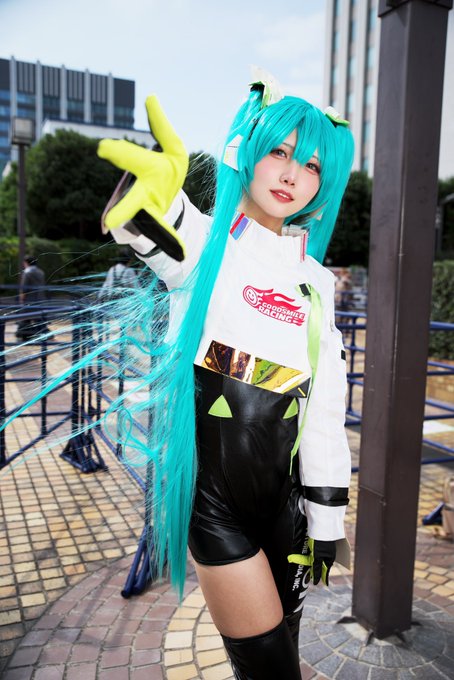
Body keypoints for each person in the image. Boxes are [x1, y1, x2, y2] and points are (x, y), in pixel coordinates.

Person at [97, 70, 354, 679]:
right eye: (279, 152)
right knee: (270, 670)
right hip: (214, 509)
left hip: (288, 509)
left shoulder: (316, 285)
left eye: (311, 165)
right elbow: (159, 224)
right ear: (249, 151)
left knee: (283, 652)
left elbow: (323, 415)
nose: (292, 175)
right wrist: (155, 191)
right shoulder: (208, 245)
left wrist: (326, 523)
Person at [16, 255, 47, 340]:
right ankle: (44, 334)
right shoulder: (41, 272)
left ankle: (23, 335)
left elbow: (24, 288)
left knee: (26, 317)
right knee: (39, 319)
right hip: (40, 298)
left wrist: (21, 299)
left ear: (27, 263)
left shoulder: (27, 272)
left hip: (29, 299)